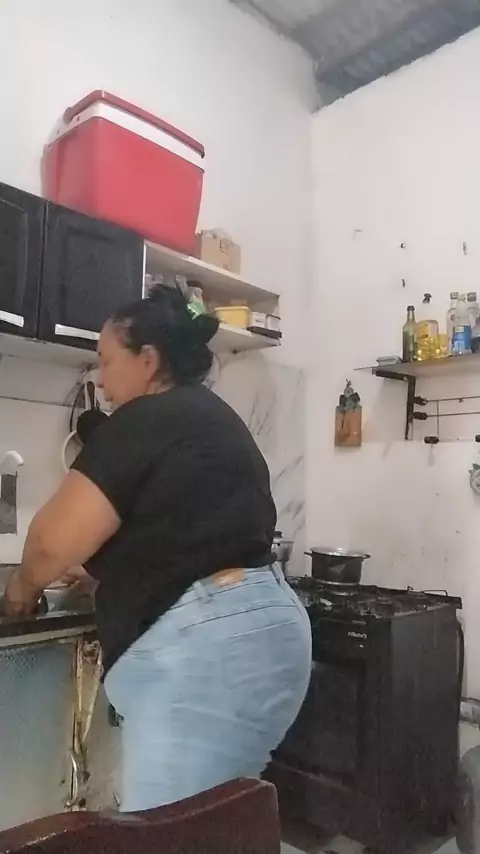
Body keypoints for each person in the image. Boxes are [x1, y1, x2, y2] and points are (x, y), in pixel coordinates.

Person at [1, 285, 312, 812]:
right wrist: (111, 573)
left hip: (209, 653)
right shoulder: (214, 417)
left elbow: (49, 543)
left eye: (106, 361)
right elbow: (189, 534)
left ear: (147, 361)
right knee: (216, 820)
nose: (101, 379)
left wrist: (19, 593)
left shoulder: (142, 419)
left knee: (167, 832)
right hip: (272, 631)